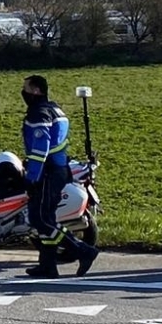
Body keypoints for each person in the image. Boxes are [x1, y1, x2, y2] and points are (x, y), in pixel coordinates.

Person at [21, 75, 98, 279]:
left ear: (36, 91)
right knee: (48, 219)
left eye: (26, 88)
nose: (24, 92)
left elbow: (40, 148)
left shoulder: (39, 113)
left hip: (46, 172)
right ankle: (47, 265)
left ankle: (83, 251)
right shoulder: (56, 109)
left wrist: (32, 177)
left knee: (40, 219)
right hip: (59, 169)